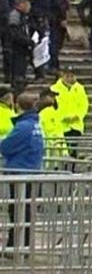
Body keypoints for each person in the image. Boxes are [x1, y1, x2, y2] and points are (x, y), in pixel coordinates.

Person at [0, 93, 44, 251]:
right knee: (23, 211)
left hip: (20, 172)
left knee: (18, 211)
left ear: (18, 106)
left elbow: (6, 147)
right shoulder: (35, 124)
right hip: (30, 171)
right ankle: (20, 245)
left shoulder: (23, 126)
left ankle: (17, 246)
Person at [50, 66, 89, 157]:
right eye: (67, 76)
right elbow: (51, 107)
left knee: (73, 150)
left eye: (72, 76)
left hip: (75, 125)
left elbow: (84, 104)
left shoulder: (80, 88)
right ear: (62, 76)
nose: (69, 78)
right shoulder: (54, 88)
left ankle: (71, 169)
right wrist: (62, 117)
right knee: (60, 151)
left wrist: (78, 115)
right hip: (60, 125)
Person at [7, 0, 35, 89]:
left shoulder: (24, 16)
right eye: (28, 3)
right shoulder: (15, 16)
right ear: (22, 4)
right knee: (18, 76)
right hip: (17, 51)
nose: (29, 6)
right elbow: (15, 34)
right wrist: (27, 41)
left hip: (23, 51)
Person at [47, 0, 70, 74]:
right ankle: (53, 65)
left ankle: (53, 64)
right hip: (56, 19)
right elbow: (59, 3)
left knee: (55, 42)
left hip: (54, 17)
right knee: (55, 42)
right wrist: (62, 18)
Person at [37, 87, 68, 158]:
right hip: (50, 151)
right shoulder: (44, 114)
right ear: (44, 98)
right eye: (51, 96)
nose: (53, 98)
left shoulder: (53, 112)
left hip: (57, 149)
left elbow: (59, 132)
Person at [0, 0, 14, 82]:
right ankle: (8, 75)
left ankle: (8, 75)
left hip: (5, 25)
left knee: (7, 50)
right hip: (5, 25)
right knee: (7, 50)